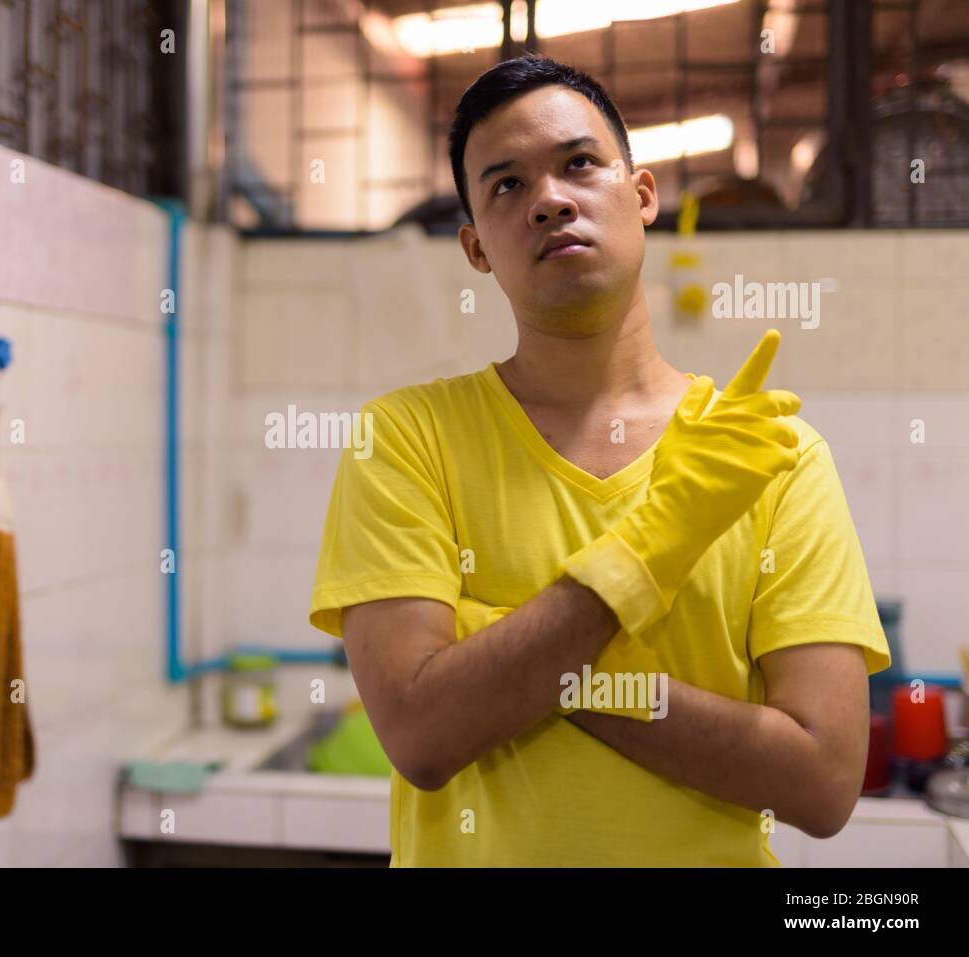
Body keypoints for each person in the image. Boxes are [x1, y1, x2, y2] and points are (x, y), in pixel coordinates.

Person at [308, 55, 890, 867]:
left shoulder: (773, 455)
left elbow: (824, 783)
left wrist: (504, 658)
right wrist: (659, 541)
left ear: (642, 194)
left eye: (579, 163)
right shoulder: (406, 438)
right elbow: (423, 733)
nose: (548, 199)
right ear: (475, 248)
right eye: (506, 185)